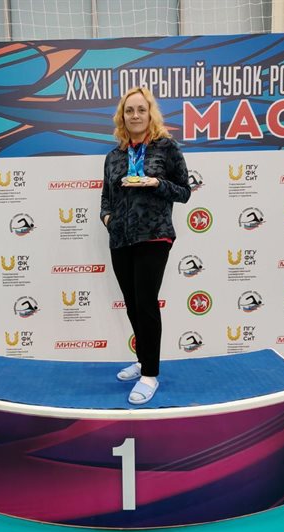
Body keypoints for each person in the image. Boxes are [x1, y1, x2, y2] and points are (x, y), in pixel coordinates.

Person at [100, 86, 191, 405]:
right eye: (129, 110)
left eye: (141, 109)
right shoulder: (114, 156)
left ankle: (150, 374)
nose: (135, 115)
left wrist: (156, 183)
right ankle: (142, 360)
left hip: (154, 235)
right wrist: (108, 219)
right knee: (132, 304)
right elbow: (106, 197)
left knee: (146, 303)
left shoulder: (166, 148)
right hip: (120, 239)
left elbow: (184, 191)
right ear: (122, 117)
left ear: (150, 114)